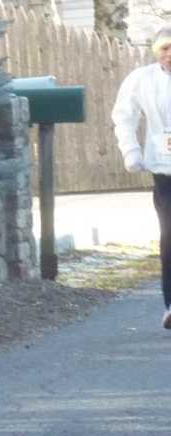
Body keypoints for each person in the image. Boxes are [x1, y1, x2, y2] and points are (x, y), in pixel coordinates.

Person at [112, 25, 171, 329]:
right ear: (156, 51)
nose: (170, 55)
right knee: (170, 237)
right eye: (165, 48)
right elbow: (123, 115)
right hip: (165, 172)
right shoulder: (142, 80)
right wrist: (131, 151)